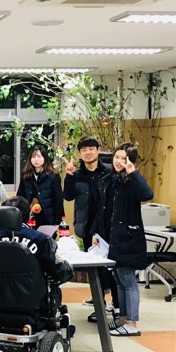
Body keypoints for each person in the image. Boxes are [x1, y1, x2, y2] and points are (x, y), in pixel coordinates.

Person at [92, 142, 153, 336]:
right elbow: (103, 210)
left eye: (124, 159)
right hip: (112, 239)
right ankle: (124, 319)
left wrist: (133, 173)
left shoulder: (132, 181)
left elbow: (147, 194)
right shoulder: (112, 180)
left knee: (128, 280)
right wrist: (96, 232)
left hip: (129, 239)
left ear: (131, 161)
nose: (119, 161)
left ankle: (132, 323)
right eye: (117, 157)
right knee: (118, 279)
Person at [63, 135, 118, 323]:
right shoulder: (77, 174)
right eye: (84, 150)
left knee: (111, 269)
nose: (88, 152)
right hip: (87, 227)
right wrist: (69, 176)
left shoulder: (108, 172)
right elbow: (68, 196)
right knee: (95, 271)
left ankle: (117, 307)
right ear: (80, 153)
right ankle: (99, 306)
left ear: (98, 150)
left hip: (107, 228)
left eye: (91, 149)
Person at [0, 196, 73, 284]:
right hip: (31, 294)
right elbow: (59, 271)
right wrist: (69, 268)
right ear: (28, 217)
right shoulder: (40, 239)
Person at [16, 145, 64, 227]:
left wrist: (58, 222)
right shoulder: (25, 177)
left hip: (48, 219)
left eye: (39, 156)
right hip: (29, 219)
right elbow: (20, 198)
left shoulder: (53, 176)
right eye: (33, 157)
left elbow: (58, 201)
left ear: (45, 158)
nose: (36, 160)